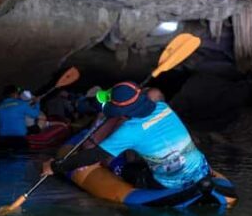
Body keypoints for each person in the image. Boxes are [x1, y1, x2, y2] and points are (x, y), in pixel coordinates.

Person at [42, 81, 211, 192]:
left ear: (121, 113)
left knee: (122, 167)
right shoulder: (163, 107)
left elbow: (93, 156)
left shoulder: (128, 131)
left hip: (167, 184)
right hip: (202, 169)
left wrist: (55, 167)